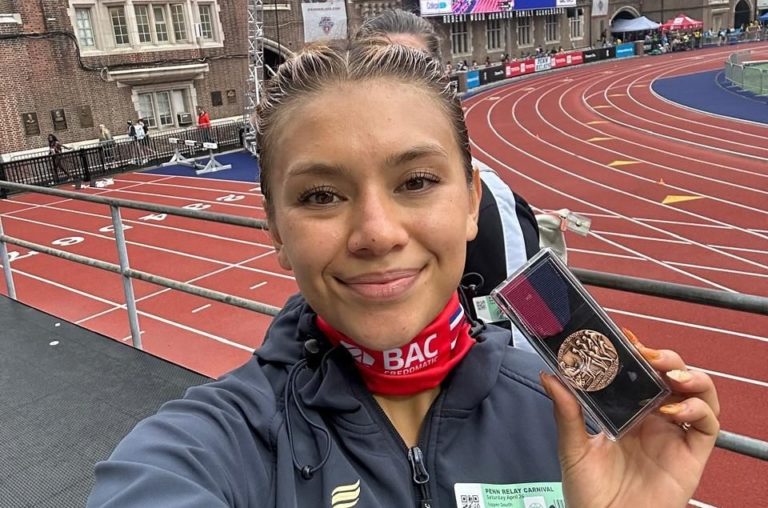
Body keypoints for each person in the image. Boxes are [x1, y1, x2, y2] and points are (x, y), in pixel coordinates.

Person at [88, 39, 718, 507]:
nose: (377, 232)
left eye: (416, 182)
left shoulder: (579, 418)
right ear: (276, 230)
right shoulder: (211, 449)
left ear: (472, 203)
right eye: (319, 196)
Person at [357, 9, 540, 343]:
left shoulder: (491, 201)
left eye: (412, 74)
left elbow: (535, 332)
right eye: (374, 74)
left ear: (441, 87)